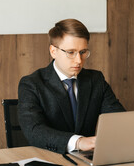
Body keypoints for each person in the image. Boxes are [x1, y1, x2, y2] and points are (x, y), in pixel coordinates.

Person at [17, 19, 125, 154]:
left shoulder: (96, 80)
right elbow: (34, 130)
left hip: (87, 159)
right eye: (71, 52)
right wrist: (79, 142)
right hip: (49, 158)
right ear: (53, 51)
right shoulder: (32, 84)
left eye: (83, 52)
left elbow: (118, 118)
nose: (79, 60)